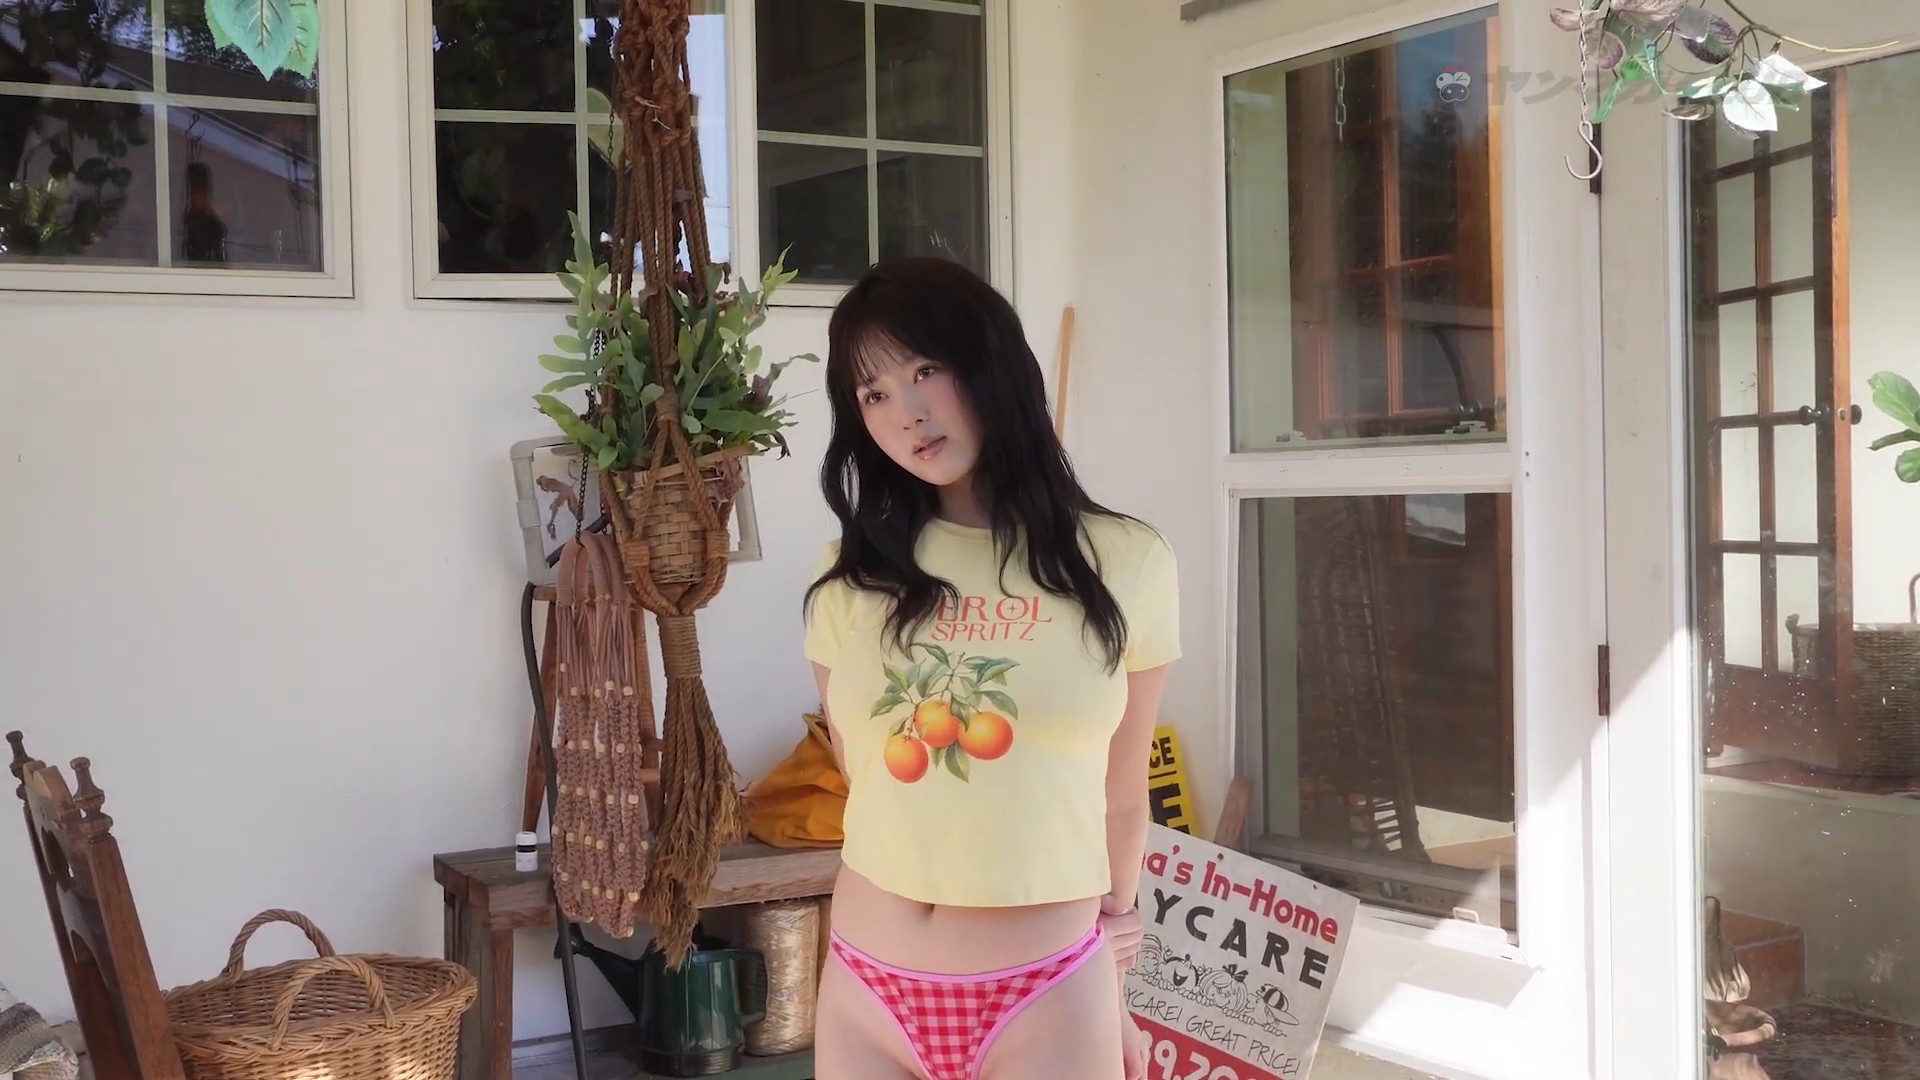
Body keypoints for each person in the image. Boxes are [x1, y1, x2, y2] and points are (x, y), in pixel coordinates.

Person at [801, 257, 1180, 1080]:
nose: (907, 413)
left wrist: (1115, 991)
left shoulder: (1125, 561)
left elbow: (1123, 796)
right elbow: (868, 779)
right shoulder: (850, 576)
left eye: (924, 371)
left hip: (1045, 994)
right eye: (873, 393)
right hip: (868, 985)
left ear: (989, 362)